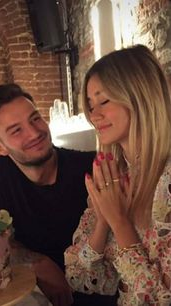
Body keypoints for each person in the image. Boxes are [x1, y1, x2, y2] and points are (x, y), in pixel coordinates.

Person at [0, 83, 118, 306]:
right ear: (0, 147)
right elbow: (0, 239)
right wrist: (38, 263)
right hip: (41, 293)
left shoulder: (91, 168)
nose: (35, 132)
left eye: (35, 118)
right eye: (16, 130)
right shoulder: (3, 173)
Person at [64, 44, 171, 305]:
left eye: (103, 101)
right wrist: (103, 221)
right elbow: (78, 277)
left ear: (140, 96)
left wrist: (119, 222)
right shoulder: (114, 174)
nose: (93, 115)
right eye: (90, 105)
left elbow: (158, 300)